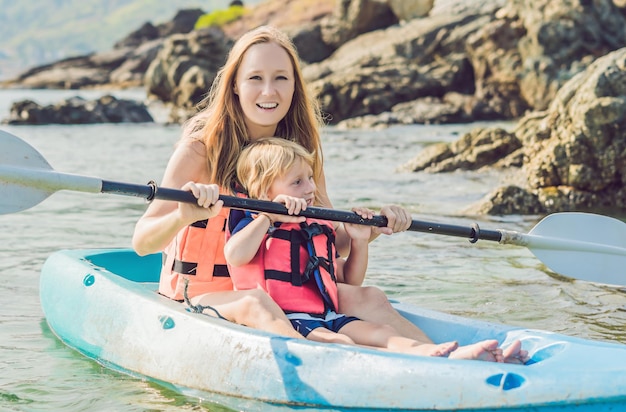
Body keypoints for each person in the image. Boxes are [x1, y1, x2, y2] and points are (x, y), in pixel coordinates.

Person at [131, 25, 526, 363]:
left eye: (281, 77)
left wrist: (372, 227)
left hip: (288, 291)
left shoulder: (299, 150)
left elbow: (330, 239)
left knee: (369, 297)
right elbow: (142, 242)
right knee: (257, 303)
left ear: (294, 84)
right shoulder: (201, 149)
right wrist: (184, 214)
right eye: (255, 78)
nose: (269, 90)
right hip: (208, 293)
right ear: (235, 84)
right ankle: (331, 364)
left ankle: (446, 357)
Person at [225, 137, 524, 361]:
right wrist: (267, 216)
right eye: (297, 181)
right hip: (289, 321)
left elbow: (349, 281)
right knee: (342, 345)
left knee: (383, 333)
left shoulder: (314, 225)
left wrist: (358, 240)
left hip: (326, 314)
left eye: (310, 178)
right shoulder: (255, 221)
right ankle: (423, 364)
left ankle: (438, 355)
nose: (311, 188)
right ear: (266, 192)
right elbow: (235, 256)